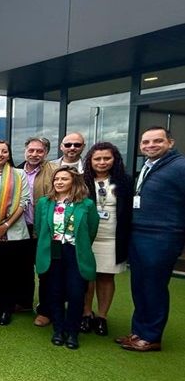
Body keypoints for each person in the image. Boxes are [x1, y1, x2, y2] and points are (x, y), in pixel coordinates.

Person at [117, 127, 185, 352]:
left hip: (162, 236)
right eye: (146, 142)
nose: (150, 145)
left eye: (157, 141)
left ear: (170, 143)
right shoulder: (148, 166)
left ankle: (151, 336)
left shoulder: (179, 166)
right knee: (140, 285)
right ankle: (139, 331)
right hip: (139, 234)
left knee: (154, 286)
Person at [34, 168, 99, 350]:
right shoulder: (44, 203)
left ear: (74, 182)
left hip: (75, 252)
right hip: (52, 252)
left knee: (76, 293)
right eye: (56, 179)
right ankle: (58, 329)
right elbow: (40, 228)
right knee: (54, 292)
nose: (59, 182)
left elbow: (91, 230)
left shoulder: (86, 204)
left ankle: (72, 332)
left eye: (64, 179)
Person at [81, 142, 132, 337]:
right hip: (88, 235)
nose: (102, 162)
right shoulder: (82, 181)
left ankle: (102, 317)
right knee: (87, 276)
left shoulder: (125, 182)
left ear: (114, 160)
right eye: (97, 159)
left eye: (106, 158)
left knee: (106, 276)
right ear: (90, 161)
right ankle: (86, 313)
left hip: (113, 236)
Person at [0, 140, 31, 326]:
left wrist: (6, 225)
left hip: (12, 230)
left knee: (10, 273)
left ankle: (6, 309)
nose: (0, 154)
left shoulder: (19, 175)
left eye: (4, 151)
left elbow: (24, 201)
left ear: (9, 155)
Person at [19, 137, 55, 324]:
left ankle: (45, 310)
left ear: (46, 153)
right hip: (21, 226)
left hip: (44, 228)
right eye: (31, 150)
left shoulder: (54, 171)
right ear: (25, 150)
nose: (34, 154)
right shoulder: (17, 171)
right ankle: (23, 302)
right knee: (22, 267)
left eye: (39, 151)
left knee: (44, 270)